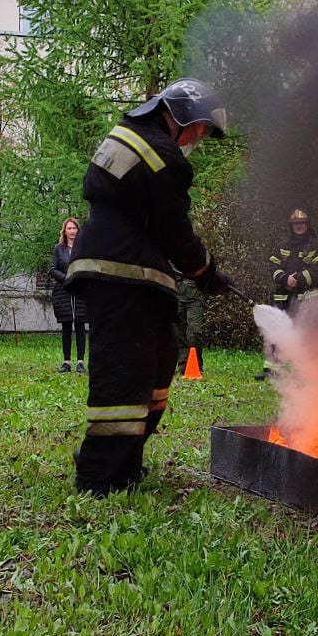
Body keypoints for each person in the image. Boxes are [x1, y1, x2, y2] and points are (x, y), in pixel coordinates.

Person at [65, 78, 232, 496]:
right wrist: (206, 271)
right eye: (200, 129)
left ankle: (124, 462)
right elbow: (175, 231)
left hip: (124, 270)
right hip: (122, 273)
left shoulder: (133, 136)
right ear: (179, 117)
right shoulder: (163, 156)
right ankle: (100, 476)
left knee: (157, 361)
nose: (199, 139)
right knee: (125, 374)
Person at [255, 208, 318, 380]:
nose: (299, 226)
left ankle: (307, 371)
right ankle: (272, 369)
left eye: (302, 223)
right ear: (291, 226)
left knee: (307, 335)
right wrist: (285, 279)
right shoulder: (283, 245)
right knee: (276, 331)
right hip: (283, 297)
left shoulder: (316, 246)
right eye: (295, 224)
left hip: (307, 299)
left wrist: (300, 279)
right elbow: (272, 266)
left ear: (307, 224)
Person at [50, 218, 88, 373]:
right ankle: (66, 362)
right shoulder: (58, 249)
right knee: (66, 326)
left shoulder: (84, 248)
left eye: (74, 228)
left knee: (80, 326)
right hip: (63, 292)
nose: (72, 231)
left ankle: (80, 362)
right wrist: (66, 279)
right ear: (64, 231)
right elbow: (53, 269)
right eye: (69, 228)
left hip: (80, 292)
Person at [176, 276, 206, 375]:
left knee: (194, 333)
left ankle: (197, 365)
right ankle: (183, 366)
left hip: (195, 296)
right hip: (177, 294)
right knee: (179, 332)